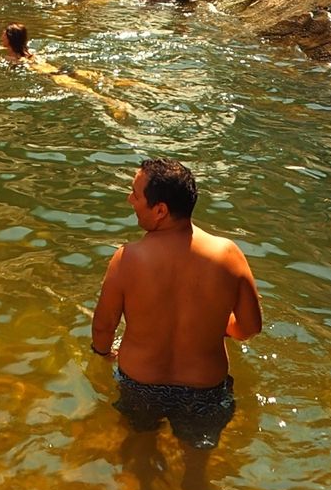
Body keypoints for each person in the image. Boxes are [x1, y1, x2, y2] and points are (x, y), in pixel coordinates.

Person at [91, 157, 262, 448]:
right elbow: (249, 328)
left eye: (135, 194)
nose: (129, 199)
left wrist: (103, 355)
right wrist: (213, 326)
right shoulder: (228, 255)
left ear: (160, 210)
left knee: (137, 459)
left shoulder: (127, 259)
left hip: (139, 387)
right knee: (198, 471)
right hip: (205, 391)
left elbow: (104, 327)